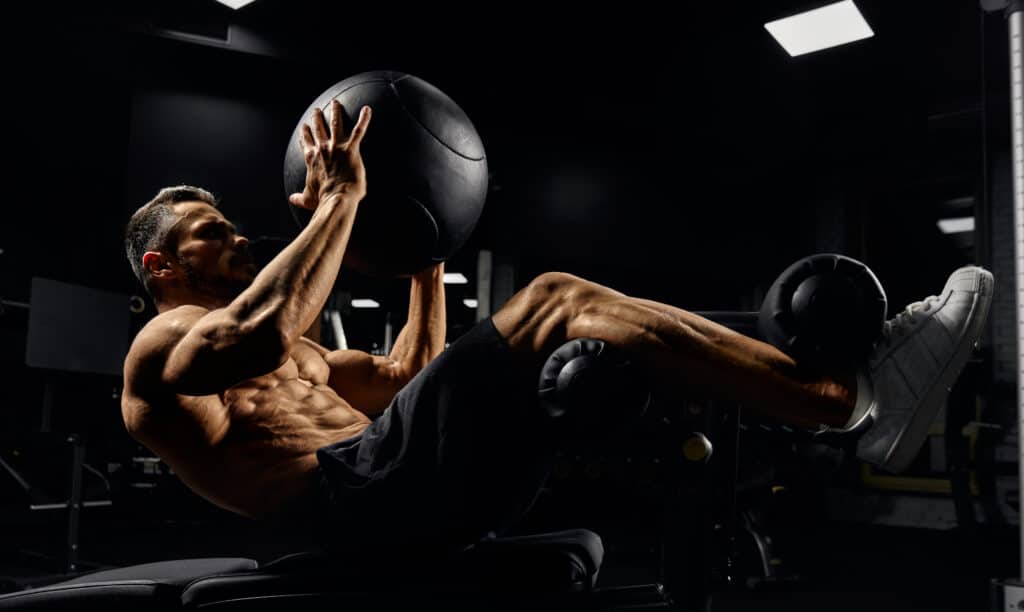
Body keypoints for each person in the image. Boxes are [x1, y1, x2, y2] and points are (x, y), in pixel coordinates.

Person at [121, 100, 994, 558]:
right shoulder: (159, 351)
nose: (235, 234)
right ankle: (850, 403)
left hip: (403, 482)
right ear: (162, 266)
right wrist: (343, 199)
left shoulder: (304, 349)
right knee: (553, 298)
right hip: (342, 510)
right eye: (209, 230)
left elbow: (404, 382)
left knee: (580, 310)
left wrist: (426, 259)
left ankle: (846, 398)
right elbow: (257, 337)